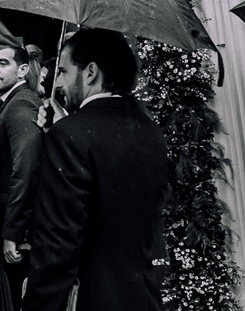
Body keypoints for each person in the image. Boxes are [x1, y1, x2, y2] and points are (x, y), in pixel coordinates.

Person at [23, 29, 167, 311]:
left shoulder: (70, 136)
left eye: (63, 71)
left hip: (93, 297)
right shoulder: (149, 129)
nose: (59, 82)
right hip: (144, 297)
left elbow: (58, 244)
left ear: (90, 72)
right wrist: (60, 127)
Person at [0, 45, 44, 310]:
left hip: (19, 229)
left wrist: (13, 232)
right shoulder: (10, 102)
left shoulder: (21, 105)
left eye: (2, 63)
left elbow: (25, 169)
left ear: (22, 69)